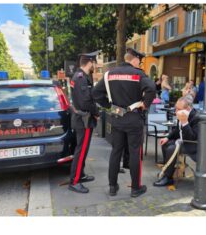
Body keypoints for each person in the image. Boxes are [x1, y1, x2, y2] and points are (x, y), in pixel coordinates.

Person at [92, 48, 156, 198]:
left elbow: (95, 93)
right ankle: (135, 188)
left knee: (116, 152)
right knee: (135, 153)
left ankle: (112, 187)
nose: (139, 64)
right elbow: (152, 88)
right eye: (139, 61)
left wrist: (109, 106)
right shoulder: (138, 74)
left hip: (117, 117)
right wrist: (145, 104)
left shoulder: (109, 74)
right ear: (134, 60)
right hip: (134, 118)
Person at [68, 52, 100, 194]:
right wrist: (96, 113)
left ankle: (80, 175)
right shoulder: (81, 78)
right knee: (81, 151)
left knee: (82, 150)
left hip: (82, 118)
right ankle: (74, 181)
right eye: (95, 63)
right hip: (84, 119)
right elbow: (86, 101)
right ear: (90, 62)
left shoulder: (80, 76)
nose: (96, 65)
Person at [153, 96, 199, 187]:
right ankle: (169, 169)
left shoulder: (196, 117)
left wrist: (185, 122)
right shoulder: (181, 113)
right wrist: (167, 137)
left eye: (178, 109)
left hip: (193, 145)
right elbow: (177, 130)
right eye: (176, 108)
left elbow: (192, 137)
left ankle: (167, 177)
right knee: (165, 144)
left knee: (171, 149)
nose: (176, 111)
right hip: (183, 141)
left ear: (188, 109)